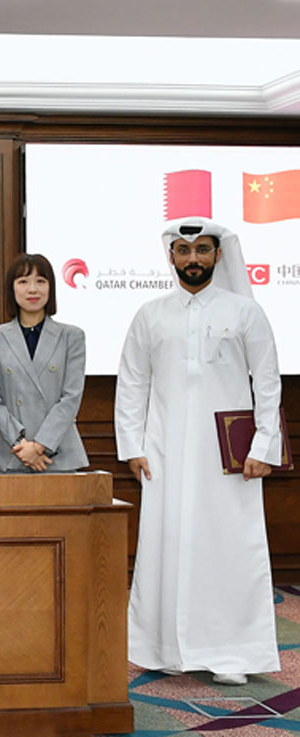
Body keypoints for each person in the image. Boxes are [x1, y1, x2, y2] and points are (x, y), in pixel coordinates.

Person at [115, 217, 282, 686]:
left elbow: (267, 383)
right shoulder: (151, 313)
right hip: (163, 454)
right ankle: (165, 648)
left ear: (218, 255)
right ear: (171, 256)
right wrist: (132, 445)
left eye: (202, 250)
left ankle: (232, 653)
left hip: (231, 461)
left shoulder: (246, 311)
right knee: (166, 547)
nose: (193, 259)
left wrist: (263, 446)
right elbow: (132, 383)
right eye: (184, 251)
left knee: (230, 547)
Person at [0, 253, 87, 473]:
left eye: (41, 281)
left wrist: (40, 446)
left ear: (51, 288)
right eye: (23, 281)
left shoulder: (72, 336)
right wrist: (21, 445)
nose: (33, 289)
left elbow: (71, 398)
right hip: (11, 456)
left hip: (58, 456)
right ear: (11, 289)